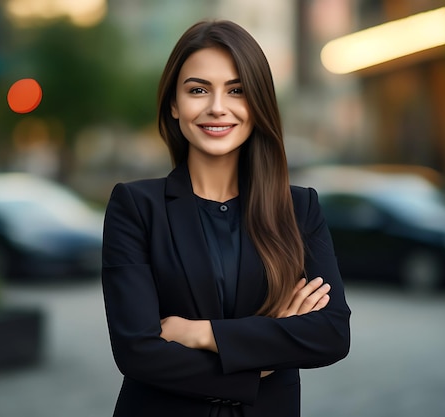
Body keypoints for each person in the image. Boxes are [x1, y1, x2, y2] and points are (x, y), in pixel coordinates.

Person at [101, 19, 351, 417]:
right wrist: (265, 358)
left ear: (258, 104)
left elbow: (332, 333)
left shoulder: (299, 209)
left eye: (237, 90)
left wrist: (200, 333)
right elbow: (137, 351)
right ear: (173, 104)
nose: (217, 107)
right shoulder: (135, 206)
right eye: (198, 90)